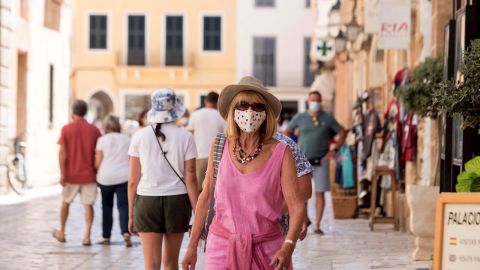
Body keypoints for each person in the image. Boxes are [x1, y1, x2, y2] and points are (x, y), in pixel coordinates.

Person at [182, 76, 306, 270]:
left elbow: (297, 206)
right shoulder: (220, 145)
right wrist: (191, 246)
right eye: (243, 105)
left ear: (266, 113)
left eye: (257, 107)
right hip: (220, 247)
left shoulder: (281, 152)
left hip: (267, 252)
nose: (249, 112)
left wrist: (288, 246)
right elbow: (205, 197)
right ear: (233, 111)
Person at [128, 89, 199, 270]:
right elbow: (190, 177)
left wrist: (131, 215)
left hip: (147, 201)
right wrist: (198, 213)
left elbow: (132, 181)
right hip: (177, 201)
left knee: (150, 264)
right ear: (175, 109)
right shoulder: (186, 137)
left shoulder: (139, 137)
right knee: (171, 262)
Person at [285, 91, 346, 235]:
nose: (315, 103)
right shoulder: (300, 117)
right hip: (303, 161)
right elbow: (287, 130)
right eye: (313, 100)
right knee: (302, 194)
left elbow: (342, 131)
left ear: (321, 101)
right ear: (308, 101)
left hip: (322, 160)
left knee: (320, 192)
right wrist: (292, 148)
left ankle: (317, 225)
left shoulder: (328, 118)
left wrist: (334, 150)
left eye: (317, 100)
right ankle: (304, 221)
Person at [52, 100, 101, 246]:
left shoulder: (66, 129)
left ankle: (62, 231)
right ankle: (87, 236)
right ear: (85, 112)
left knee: (65, 203)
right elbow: (99, 153)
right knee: (88, 205)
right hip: (89, 175)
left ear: (73, 112)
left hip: (71, 175)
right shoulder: (94, 130)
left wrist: (62, 174)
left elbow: (62, 153)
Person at [95, 115, 131, 247]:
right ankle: (125, 233)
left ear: (106, 126)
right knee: (123, 206)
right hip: (124, 176)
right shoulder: (127, 139)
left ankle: (106, 236)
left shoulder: (102, 140)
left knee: (106, 206)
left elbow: (98, 160)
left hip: (106, 177)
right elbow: (130, 158)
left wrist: (96, 169)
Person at [187, 91, 226, 191]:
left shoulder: (195, 114)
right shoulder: (221, 116)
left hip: (199, 155)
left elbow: (190, 134)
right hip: (217, 157)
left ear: (205, 101)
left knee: (200, 189)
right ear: (218, 102)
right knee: (215, 189)